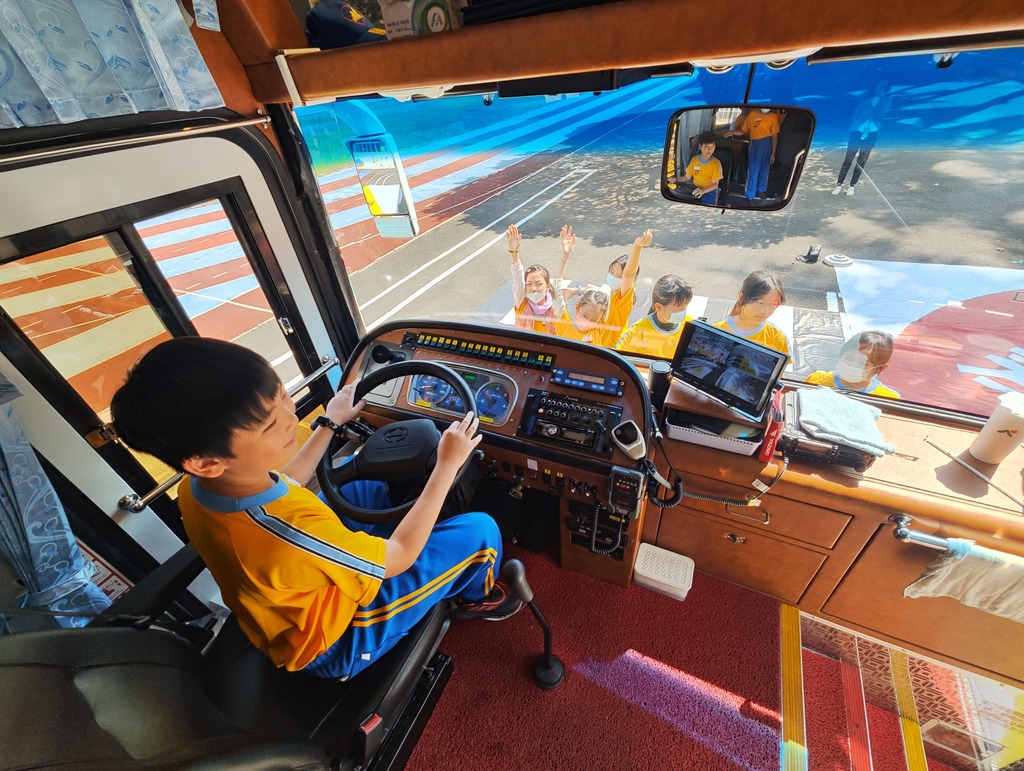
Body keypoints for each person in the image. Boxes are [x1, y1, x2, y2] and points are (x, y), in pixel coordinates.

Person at [110, 337, 520, 681]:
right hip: (331, 639)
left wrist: (329, 422)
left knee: (361, 483)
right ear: (205, 461)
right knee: (480, 532)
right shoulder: (285, 531)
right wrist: (446, 467)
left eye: (282, 396)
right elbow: (398, 556)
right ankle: (477, 598)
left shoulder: (198, 486)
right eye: (270, 425)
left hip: (289, 597)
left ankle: (377, 555)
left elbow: (284, 482)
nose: (291, 418)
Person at [506, 223, 573, 334]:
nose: (533, 288)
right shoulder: (522, 305)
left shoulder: (555, 308)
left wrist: (565, 255)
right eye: (529, 284)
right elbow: (518, 277)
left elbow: (559, 283)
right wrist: (514, 253)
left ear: (547, 286)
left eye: (538, 284)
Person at [832, 80, 891, 197]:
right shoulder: (865, 101)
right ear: (875, 86)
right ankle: (839, 184)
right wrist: (855, 126)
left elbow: (881, 115)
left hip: (872, 133)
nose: (880, 88)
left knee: (862, 160)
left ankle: (852, 185)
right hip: (857, 131)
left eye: (884, 87)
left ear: (886, 89)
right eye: (879, 85)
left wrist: (882, 100)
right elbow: (855, 114)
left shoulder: (885, 102)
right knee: (848, 158)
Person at [614, 274, 693, 360]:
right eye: (678, 309)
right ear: (658, 307)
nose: (682, 312)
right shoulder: (639, 331)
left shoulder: (689, 325)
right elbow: (619, 359)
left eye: (684, 308)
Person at [714, 271, 790, 356]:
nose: (764, 311)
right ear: (741, 297)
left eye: (773, 304)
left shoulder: (777, 337)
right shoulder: (717, 331)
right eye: (760, 302)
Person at [805, 331, 901, 398]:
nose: (852, 365)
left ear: (881, 367)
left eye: (864, 364)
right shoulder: (817, 379)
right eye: (848, 358)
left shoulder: (887, 398)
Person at [605, 228, 653, 343]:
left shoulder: (623, 298)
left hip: (611, 346)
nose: (613, 276)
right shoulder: (606, 292)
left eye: (619, 276)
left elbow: (628, 274)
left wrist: (637, 246)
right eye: (611, 272)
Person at [725, 109, 780, 205]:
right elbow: (743, 131)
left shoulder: (773, 116)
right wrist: (732, 132)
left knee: (764, 170)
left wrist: (773, 153)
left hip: (768, 145)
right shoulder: (752, 115)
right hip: (755, 145)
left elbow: (775, 136)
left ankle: (761, 190)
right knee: (753, 171)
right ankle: (750, 195)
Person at [677, 133, 724, 205]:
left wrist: (703, 191)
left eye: (713, 146)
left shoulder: (716, 163)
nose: (710, 149)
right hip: (695, 187)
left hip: (710, 190)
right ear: (700, 146)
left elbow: (715, 184)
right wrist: (675, 179)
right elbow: (686, 177)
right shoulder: (695, 160)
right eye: (706, 146)